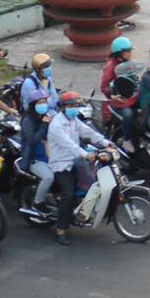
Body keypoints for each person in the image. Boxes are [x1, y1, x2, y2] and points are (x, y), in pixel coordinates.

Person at [42, 90, 111, 245]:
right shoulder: (57, 125)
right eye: (71, 105)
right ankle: (60, 230)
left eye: (76, 105)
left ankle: (80, 211)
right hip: (61, 164)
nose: (75, 108)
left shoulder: (73, 120)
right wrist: (85, 154)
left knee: (92, 183)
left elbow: (88, 132)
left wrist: (106, 143)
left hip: (76, 160)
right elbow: (69, 145)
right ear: (64, 107)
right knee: (68, 195)